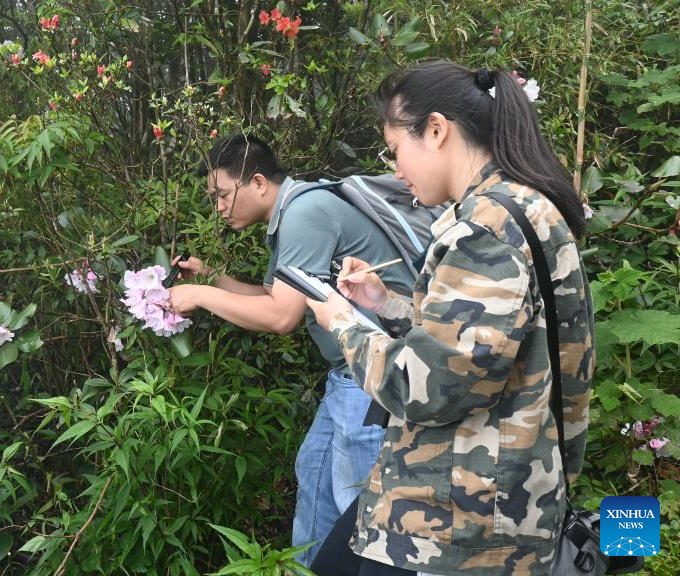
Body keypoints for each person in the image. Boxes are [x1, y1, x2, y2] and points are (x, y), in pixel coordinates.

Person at [306, 61, 594, 575]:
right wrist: (385, 305)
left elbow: (428, 388)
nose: (396, 170)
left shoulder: (484, 230)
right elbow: (490, 343)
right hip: (496, 499)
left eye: (396, 150)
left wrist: (340, 322)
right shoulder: (527, 207)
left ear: (436, 130)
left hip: (457, 524)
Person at [167, 134, 415, 565]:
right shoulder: (294, 212)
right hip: (349, 378)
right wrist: (209, 278)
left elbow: (281, 318)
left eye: (222, 195)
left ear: (258, 182)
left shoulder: (304, 212)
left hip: (373, 378)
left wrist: (199, 297)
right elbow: (272, 294)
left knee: (358, 510)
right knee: (315, 473)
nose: (219, 208)